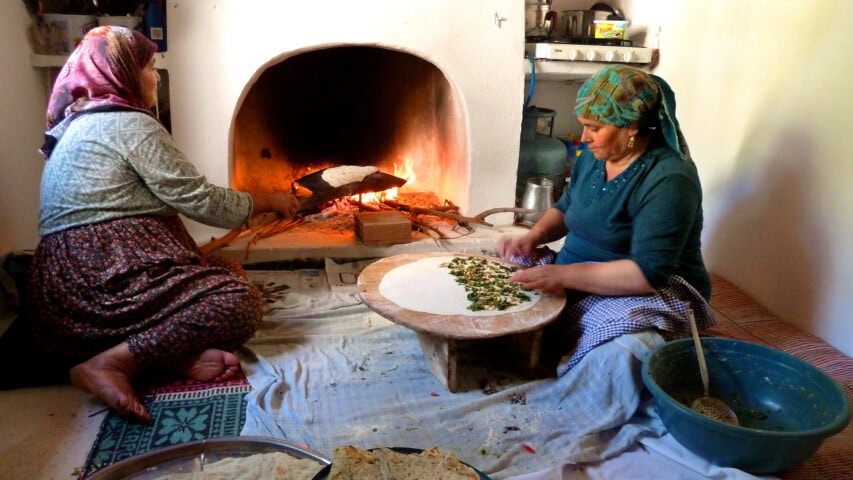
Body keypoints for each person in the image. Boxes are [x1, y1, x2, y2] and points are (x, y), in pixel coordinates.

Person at [27, 26, 299, 423]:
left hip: (61, 313)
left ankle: (166, 355)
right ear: (121, 72)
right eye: (150, 66)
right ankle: (112, 363)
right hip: (101, 288)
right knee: (239, 300)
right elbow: (201, 201)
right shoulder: (127, 124)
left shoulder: (73, 126)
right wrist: (268, 199)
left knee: (224, 270)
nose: (156, 76)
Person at [498, 64, 717, 375]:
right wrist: (533, 236)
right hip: (579, 271)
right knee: (490, 276)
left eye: (595, 127)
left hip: (647, 288)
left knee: (622, 354)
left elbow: (646, 274)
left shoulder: (669, 180)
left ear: (632, 127)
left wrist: (562, 276)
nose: (584, 137)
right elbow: (566, 206)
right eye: (583, 125)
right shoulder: (593, 157)